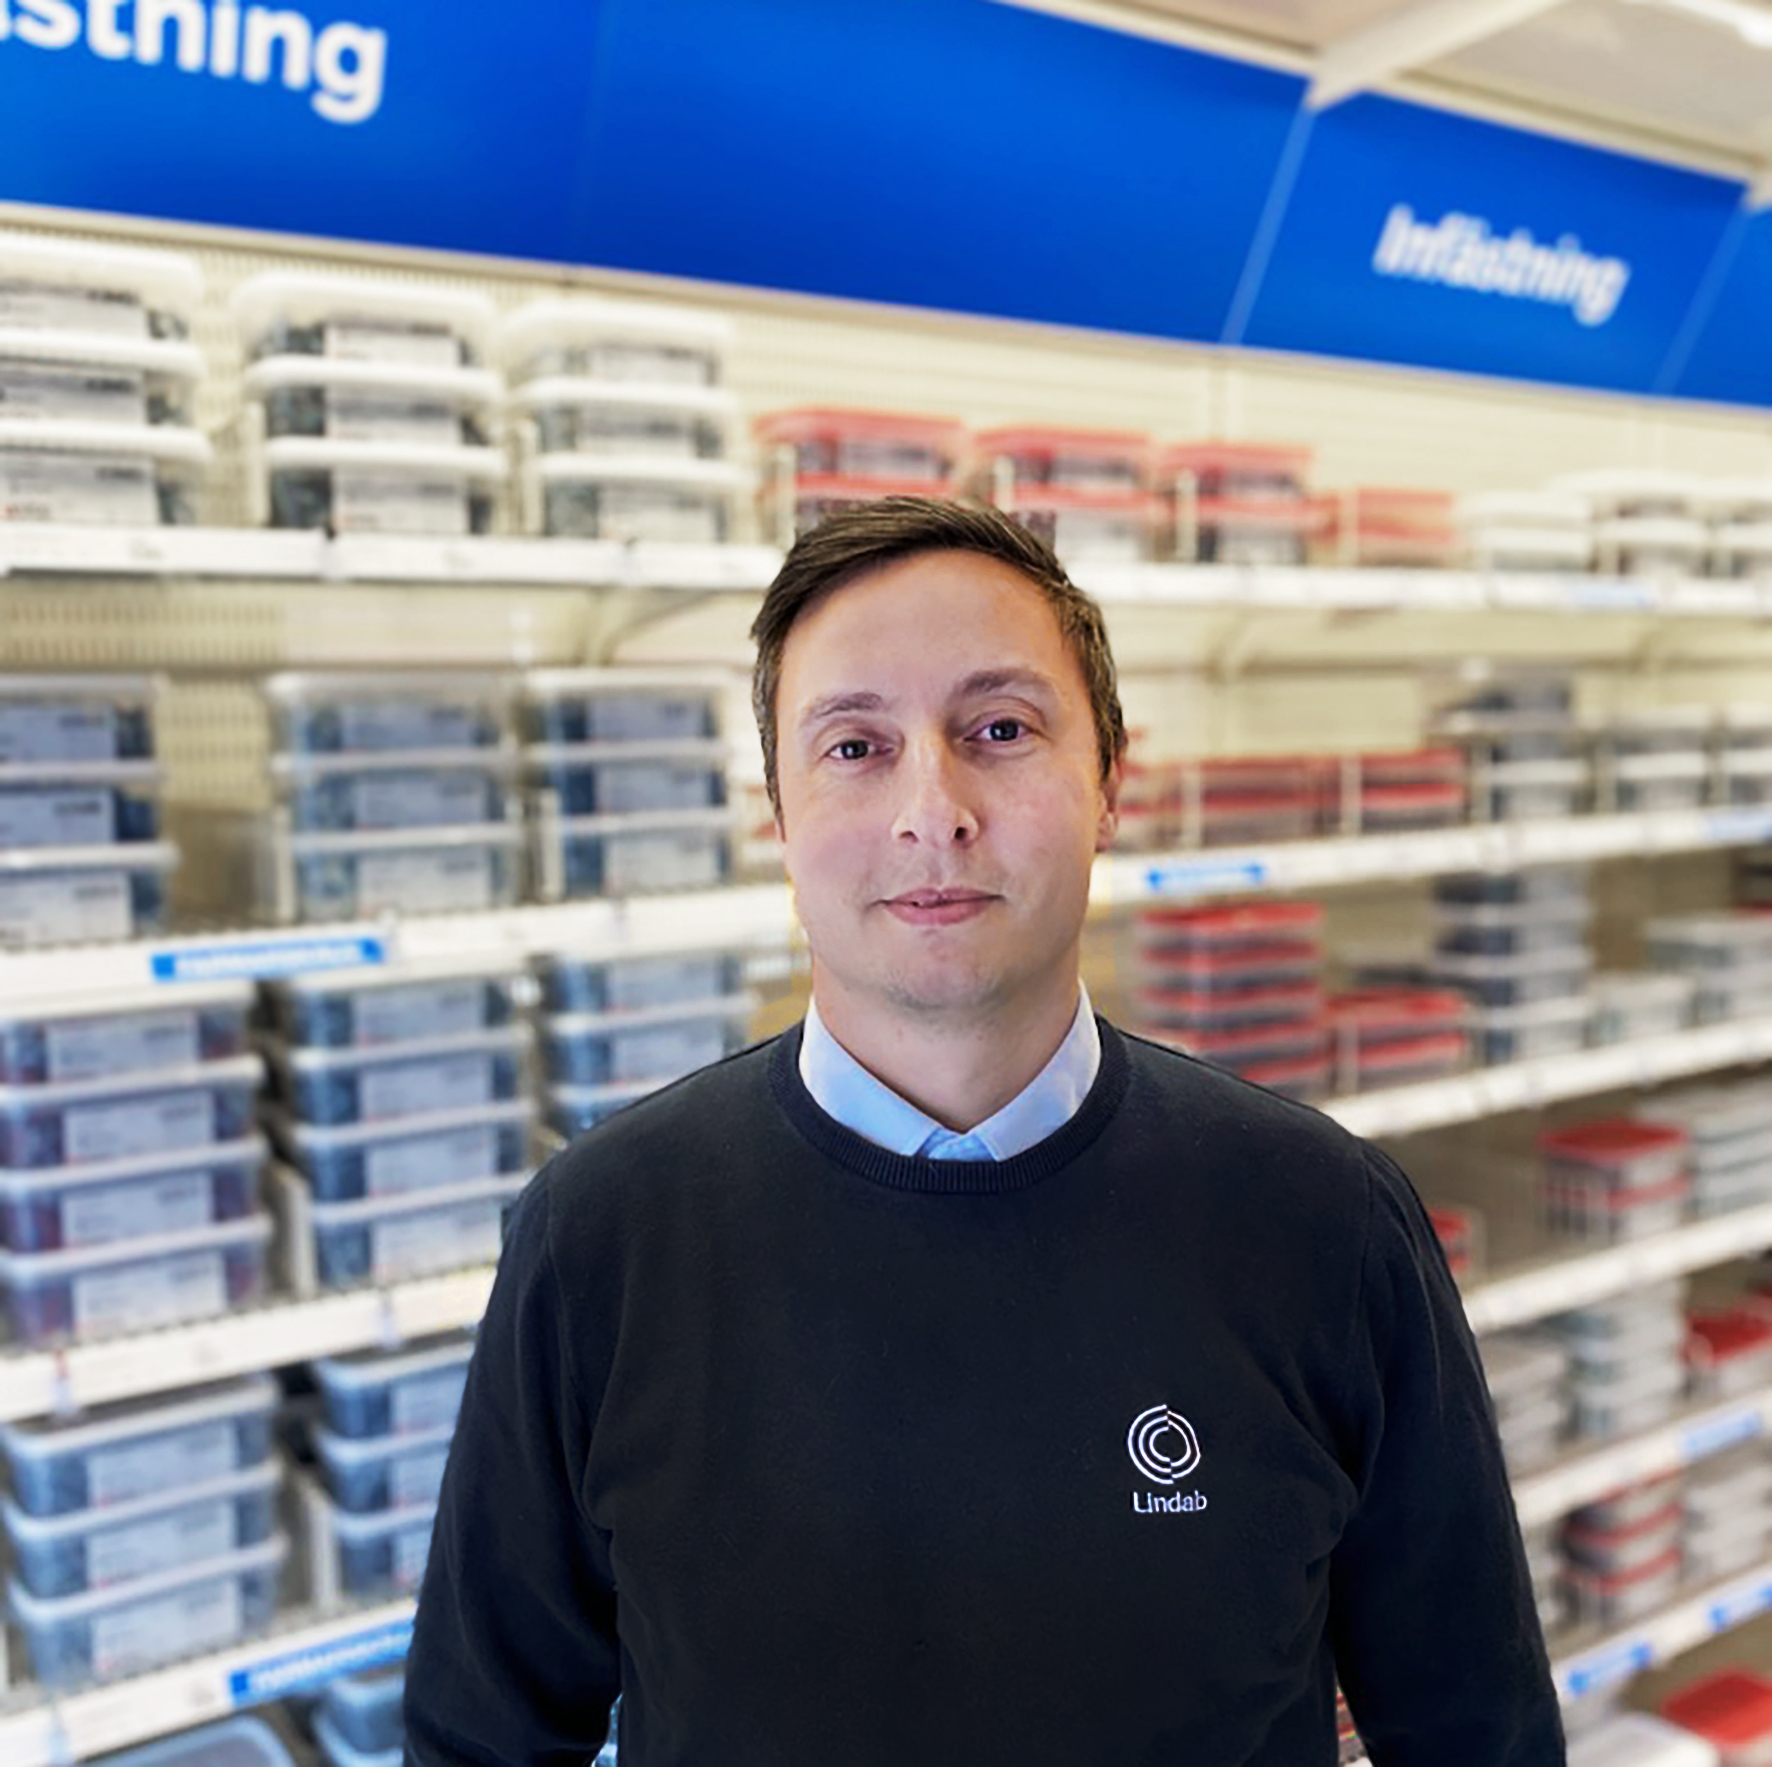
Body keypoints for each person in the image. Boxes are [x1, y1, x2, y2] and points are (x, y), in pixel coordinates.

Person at [404, 496, 1565, 1766]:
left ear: (1108, 783)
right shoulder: (599, 1239)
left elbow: (1478, 1734)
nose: (933, 811)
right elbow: (482, 1742)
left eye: (999, 730)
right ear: (777, 818)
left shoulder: (1326, 1223)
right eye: (854, 746)